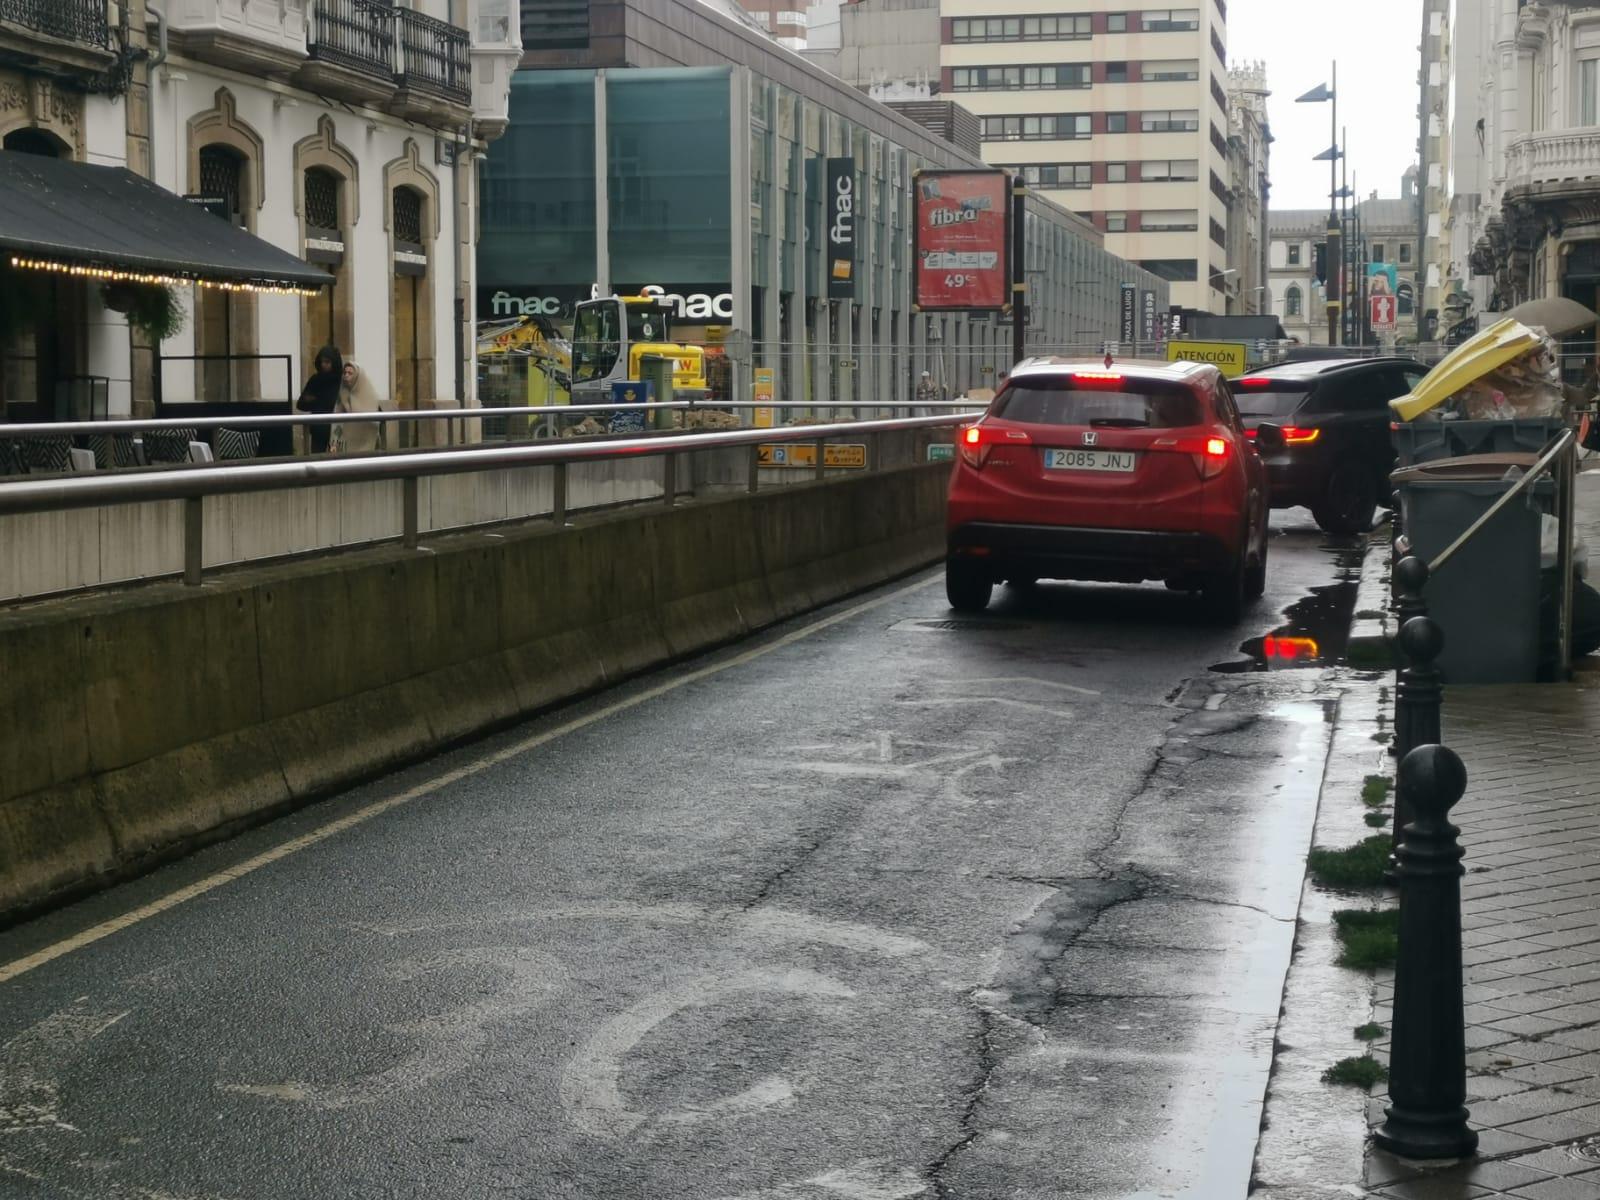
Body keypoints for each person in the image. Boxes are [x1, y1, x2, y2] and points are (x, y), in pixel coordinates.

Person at [296, 344, 343, 454]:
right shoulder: (316, 380)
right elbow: (301, 404)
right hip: (318, 428)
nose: (323, 365)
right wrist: (315, 401)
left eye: (327, 362)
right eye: (322, 362)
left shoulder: (341, 380)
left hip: (337, 429)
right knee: (317, 459)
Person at [335, 360, 383, 454]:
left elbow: (374, 424)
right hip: (346, 442)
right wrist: (333, 444)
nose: (346, 375)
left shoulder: (369, 395)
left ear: (358, 376)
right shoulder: (342, 394)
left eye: (350, 373)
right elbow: (336, 423)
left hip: (366, 442)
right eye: (344, 372)